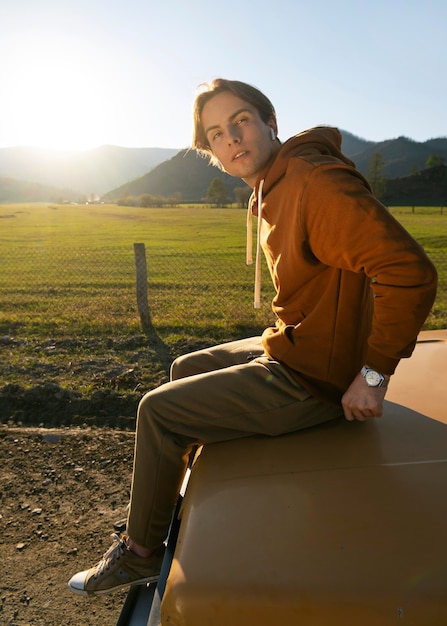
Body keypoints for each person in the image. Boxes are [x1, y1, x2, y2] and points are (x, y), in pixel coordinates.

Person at [68, 78, 437, 596]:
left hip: (316, 379)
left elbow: (408, 271)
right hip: (297, 341)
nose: (232, 139)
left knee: (157, 410)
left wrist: (373, 374)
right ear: (211, 151)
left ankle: (140, 555)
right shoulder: (274, 184)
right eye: (216, 134)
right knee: (184, 368)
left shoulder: (315, 181)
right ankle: (170, 510)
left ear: (271, 122)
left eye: (240, 120)